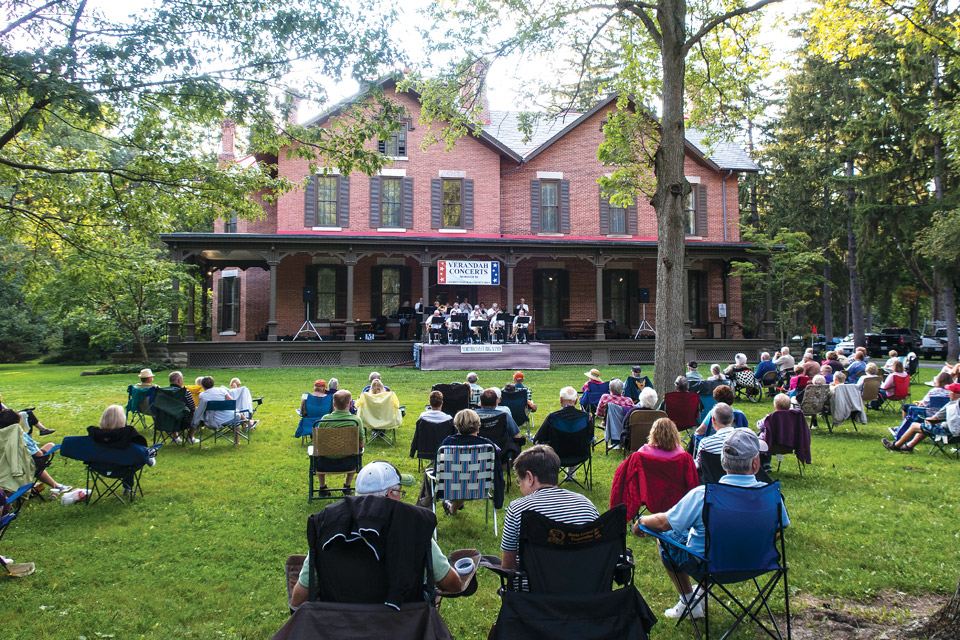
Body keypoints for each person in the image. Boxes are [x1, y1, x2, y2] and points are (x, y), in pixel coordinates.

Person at [633, 429, 788, 619]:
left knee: (666, 540)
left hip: (710, 565)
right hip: (759, 563)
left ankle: (689, 602)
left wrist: (641, 520)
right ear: (755, 464)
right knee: (702, 533)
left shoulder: (704, 496)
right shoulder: (773, 496)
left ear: (724, 462)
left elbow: (664, 523)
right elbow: (780, 527)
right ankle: (697, 595)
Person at [290, 460, 462, 608]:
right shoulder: (411, 527)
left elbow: (298, 599)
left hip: (339, 627)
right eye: (400, 492)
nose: (401, 498)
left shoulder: (329, 526)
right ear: (390, 494)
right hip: (402, 626)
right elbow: (452, 585)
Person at [500, 445, 599, 570]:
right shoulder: (586, 505)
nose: (520, 488)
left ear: (530, 478)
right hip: (583, 586)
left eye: (520, 481)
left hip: (532, 588)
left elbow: (508, 566)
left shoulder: (518, 509)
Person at [438, 408, 505, 516]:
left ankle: (450, 506)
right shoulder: (487, 446)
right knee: (467, 479)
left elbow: (439, 470)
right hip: (479, 488)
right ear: (478, 425)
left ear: (457, 425)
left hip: (451, 487)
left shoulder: (447, 444)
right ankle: (452, 509)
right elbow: (497, 472)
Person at [88, 404, 157, 496]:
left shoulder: (94, 434)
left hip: (98, 467)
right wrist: (150, 458)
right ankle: (127, 487)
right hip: (124, 468)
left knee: (127, 457)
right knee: (130, 458)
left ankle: (127, 487)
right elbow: (141, 452)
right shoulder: (128, 434)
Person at [0, 409, 72, 495]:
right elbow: (38, 454)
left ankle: (57, 486)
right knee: (49, 447)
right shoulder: (19, 435)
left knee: (34, 465)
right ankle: (57, 486)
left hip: (5, 467)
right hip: (23, 467)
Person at [883, 382, 960, 453]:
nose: (949, 393)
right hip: (956, 435)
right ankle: (908, 447)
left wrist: (927, 420)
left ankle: (895, 446)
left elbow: (934, 418)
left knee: (915, 425)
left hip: (949, 433)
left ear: (953, 394)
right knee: (925, 428)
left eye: (950, 391)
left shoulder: (951, 406)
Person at [313, 390, 365, 495]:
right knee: (357, 453)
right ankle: (347, 486)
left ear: (333, 403)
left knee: (317, 454)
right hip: (348, 464)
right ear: (351, 403)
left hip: (324, 464)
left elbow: (318, 443)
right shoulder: (355, 421)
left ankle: (322, 487)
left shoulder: (324, 420)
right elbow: (361, 445)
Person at [693, 403, 741, 468]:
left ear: (713, 420)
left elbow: (698, 466)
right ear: (732, 419)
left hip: (711, 477)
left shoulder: (705, 443)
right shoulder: (745, 441)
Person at [191, 376, 234, 444]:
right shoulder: (222, 390)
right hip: (229, 418)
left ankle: (191, 437)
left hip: (212, 420)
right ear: (213, 383)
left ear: (202, 386)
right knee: (238, 415)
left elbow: (202, 409)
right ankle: (237, 441)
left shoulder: (202, 395)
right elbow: (232, 402)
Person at [166, 370, 197, 444]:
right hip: (182, 421)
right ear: (179, 380)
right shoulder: (184, 392)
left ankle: (175, 437)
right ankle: (190, 437)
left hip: (165, 420)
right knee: (197, 414)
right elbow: (192, 407)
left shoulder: (163, 391)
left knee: (172, 413)